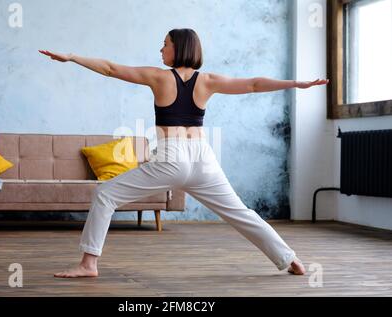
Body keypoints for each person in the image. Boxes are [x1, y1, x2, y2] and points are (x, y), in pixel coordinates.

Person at [39, 28, 329, 278]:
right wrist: (296, 84)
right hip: (203, 159)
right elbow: (254, 84)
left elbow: (111, 68)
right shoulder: (208, 80)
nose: (161, 49)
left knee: (106, 194)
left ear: (179, 48)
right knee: (240, 213)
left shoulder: (159, 78)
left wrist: (73, 57)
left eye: (165, 44)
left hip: (171, 157)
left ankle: (89, 264)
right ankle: (290, 259)